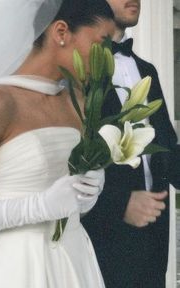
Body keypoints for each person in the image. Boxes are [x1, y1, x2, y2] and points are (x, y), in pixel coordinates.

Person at [0, 0, 115, 287]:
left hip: (75, 261)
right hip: (21, 266)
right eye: (103, 42)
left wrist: (86, 194)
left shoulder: (77, 104)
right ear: (61, 31)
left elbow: (65, 198)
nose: (108, 57)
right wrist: (37, 207)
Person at [82, 0, 180, 287]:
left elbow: (166, 148)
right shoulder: (77, 70)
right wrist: (118, 204)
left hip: (154, 243)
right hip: (102, 239)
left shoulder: (147, 70)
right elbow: (62, 160)